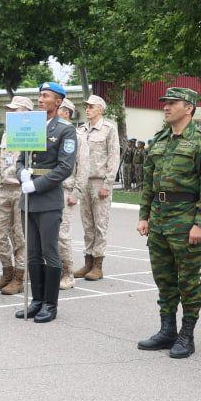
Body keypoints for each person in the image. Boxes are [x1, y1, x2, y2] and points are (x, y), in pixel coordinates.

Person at [135, 86, 201, 357]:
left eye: (173, 103)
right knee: (164, 278)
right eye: (165, 102)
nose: (166, 107)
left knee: (188, 280)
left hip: (185, 218)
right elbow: (148, 181)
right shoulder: (159, 139)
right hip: (159, 218)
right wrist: (144, 215)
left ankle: (187, 334)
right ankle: (167, 330)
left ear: (189, 108)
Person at [14, 82, 78, 322]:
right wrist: (20, 172)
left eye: (45, 96)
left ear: (58, 101)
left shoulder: (65, 130)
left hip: (48, 198)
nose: (40, 99)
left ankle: (50, 305)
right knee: (32, 253)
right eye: (39, 95)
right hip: (28, 198)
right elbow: (21, 158)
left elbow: (65, 167)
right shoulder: (31, 126)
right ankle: (36, 300)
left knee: (49, 252)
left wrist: (37, 184)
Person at [0, 95, 30, 295]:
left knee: (20, 237)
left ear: (27, 113)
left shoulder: (34, 133)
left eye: (15, 110)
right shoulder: (6, 134)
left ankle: (19, 277)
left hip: (22, 190)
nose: (10, 113)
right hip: (5, 189)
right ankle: (7, 271)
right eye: (9, 110)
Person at [74, 94, 121, 282]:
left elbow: (114, 157)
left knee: (100, 224)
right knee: (87, 224)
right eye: (86, 106)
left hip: (99, 181)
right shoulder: (81, 130)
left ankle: (97, 265)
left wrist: (108, 184)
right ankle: (88, 261)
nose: (87, 109)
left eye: (92, 106)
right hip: (83, 182)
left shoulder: (109, 129)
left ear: (100, 109)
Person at [56, 98, 80, 290]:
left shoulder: (75, 134)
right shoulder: (52, 131)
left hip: (65, 190)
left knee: (62, 234)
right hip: (50, 188)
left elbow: (83, 166)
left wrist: (76, 192)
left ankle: (68, 274)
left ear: (66, 112)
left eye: (60, 109)